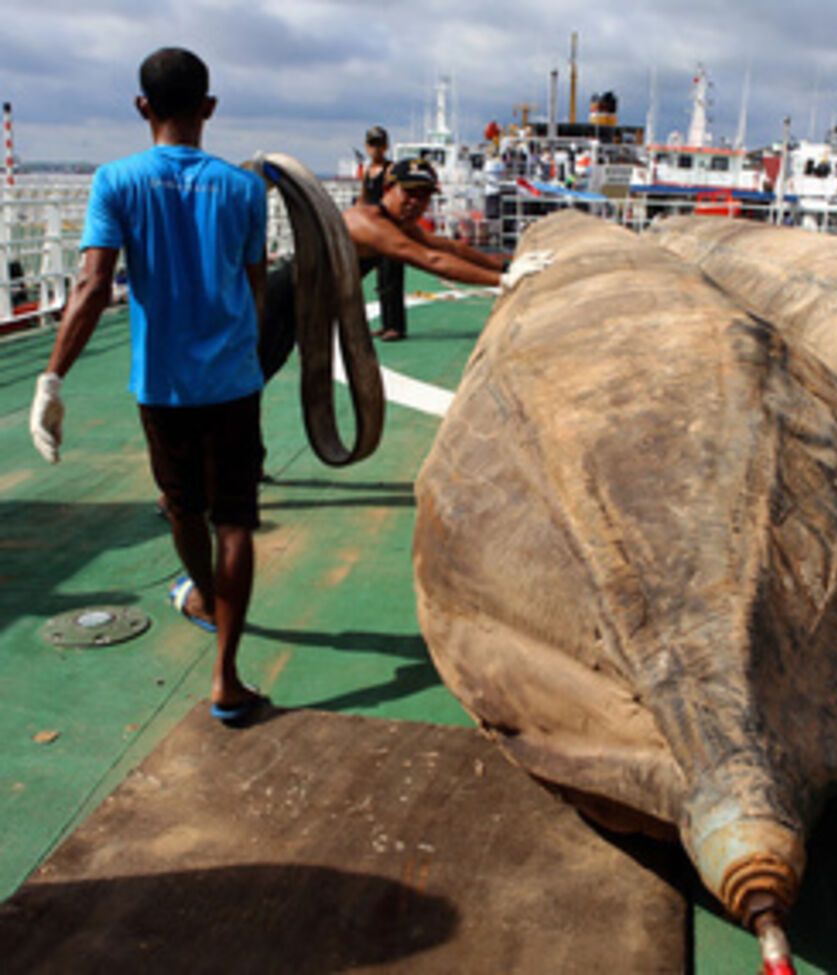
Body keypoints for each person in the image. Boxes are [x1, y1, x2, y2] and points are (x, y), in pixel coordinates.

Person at [28, 47, 268, 726]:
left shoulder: (116, 180)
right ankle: (227, 675)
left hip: (160, 384)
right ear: (209, 108)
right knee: (236, 520)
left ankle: (199, 594)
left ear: (142, 106)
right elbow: (253, 283)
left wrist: (52, 377)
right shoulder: (245, 188)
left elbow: (92, 285)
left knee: (181, 505)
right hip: (232, 378)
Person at [258, 158, 550, 382]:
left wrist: (507, 264)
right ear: (388, 190)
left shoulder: (396, 223)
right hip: (278, 303)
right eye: (408, 193)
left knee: (258, 379)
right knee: (247, 384)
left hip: (302, 310)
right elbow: (429, 260)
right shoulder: (368, 223)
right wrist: (504, 280)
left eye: (423, 196)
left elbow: (446, 247)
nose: (415, 203)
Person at [359, 125, 407, 342]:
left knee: (392, 277)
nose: (375, 149)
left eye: (379, 144)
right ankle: (386, 323)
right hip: (373, 228)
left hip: (388, 227)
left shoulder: (390, 170)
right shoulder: (368, 171)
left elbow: (395, 198)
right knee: (381, 279)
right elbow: (363, 197)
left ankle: (396, 326)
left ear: (386, 146)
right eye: (371, 144)